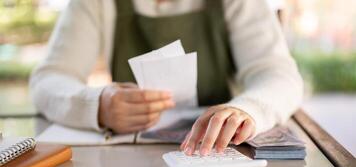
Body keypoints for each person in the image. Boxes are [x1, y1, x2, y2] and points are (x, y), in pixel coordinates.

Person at [30, 0, 303, 156]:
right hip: (128, 162)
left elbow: (279, 74)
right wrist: (97, 104)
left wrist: (246, 110)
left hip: (218, 158)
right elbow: (48, 80)